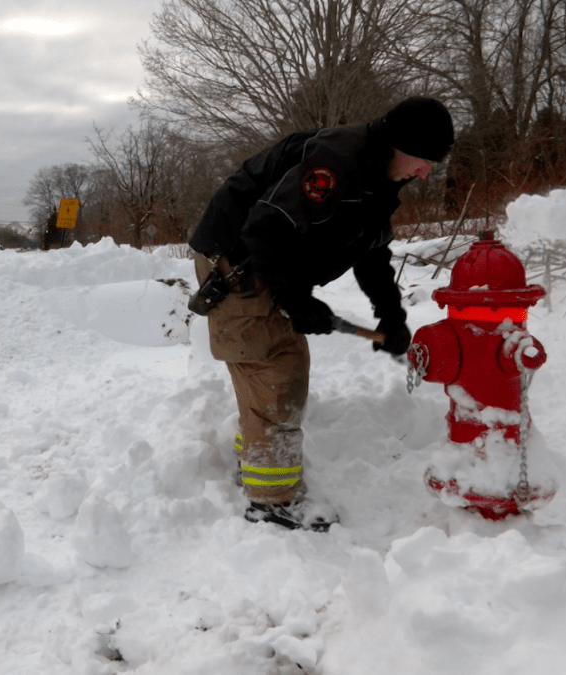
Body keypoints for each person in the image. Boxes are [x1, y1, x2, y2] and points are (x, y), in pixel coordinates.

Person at [187, 97, 455, 531]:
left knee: (280, 366)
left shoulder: (379, 177)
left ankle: (255, 456)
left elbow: (371, 252)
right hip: (236, 259)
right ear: (396, 143)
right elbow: (264, 228)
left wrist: (392, 316)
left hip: (269, 262)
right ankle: (271, 501)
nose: (426, 172)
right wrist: (296, 300)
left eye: (433, 163)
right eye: (423, 159)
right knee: (275, 367)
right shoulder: (335, 162)